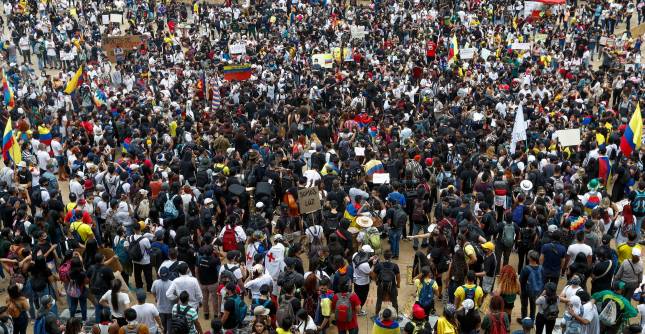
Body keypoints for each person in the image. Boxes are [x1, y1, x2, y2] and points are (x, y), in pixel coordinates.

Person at [372, 249, 400, 316]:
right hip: (392, 285)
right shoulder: (395, 266)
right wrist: (398, 284)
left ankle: (377, 315)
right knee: (394, 301)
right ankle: (396, 315)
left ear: (384, 256)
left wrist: (377, 281)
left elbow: (373, 276)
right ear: (391, 256)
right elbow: (398, 277)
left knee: (379, 300)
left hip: (381, 285)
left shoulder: (379, 265)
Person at [519, 250, 544, 322]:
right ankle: (532, 320)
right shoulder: (541, 268)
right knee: (533, 306)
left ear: (530, 258)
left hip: (525, 290)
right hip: (536, 290)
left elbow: (521, 281)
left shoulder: (526, 268)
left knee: (524, 306)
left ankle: (524, 320)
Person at [129, 222, 153, 292]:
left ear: (133, 229)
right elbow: (149, 250)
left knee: (137, 275)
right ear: (141, 229)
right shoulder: (145, 239)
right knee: (148, 276)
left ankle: (139, 287)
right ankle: (149, 289)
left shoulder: (130, 238)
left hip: (135, 260)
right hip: (145, 261)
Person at [151, 267, 174, 334]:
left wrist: (156, 297)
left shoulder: (155, 282)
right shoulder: (172, 283)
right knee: (169, 328)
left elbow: (152, 291)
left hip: (160, 309)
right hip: (170, 309)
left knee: (162, 327)